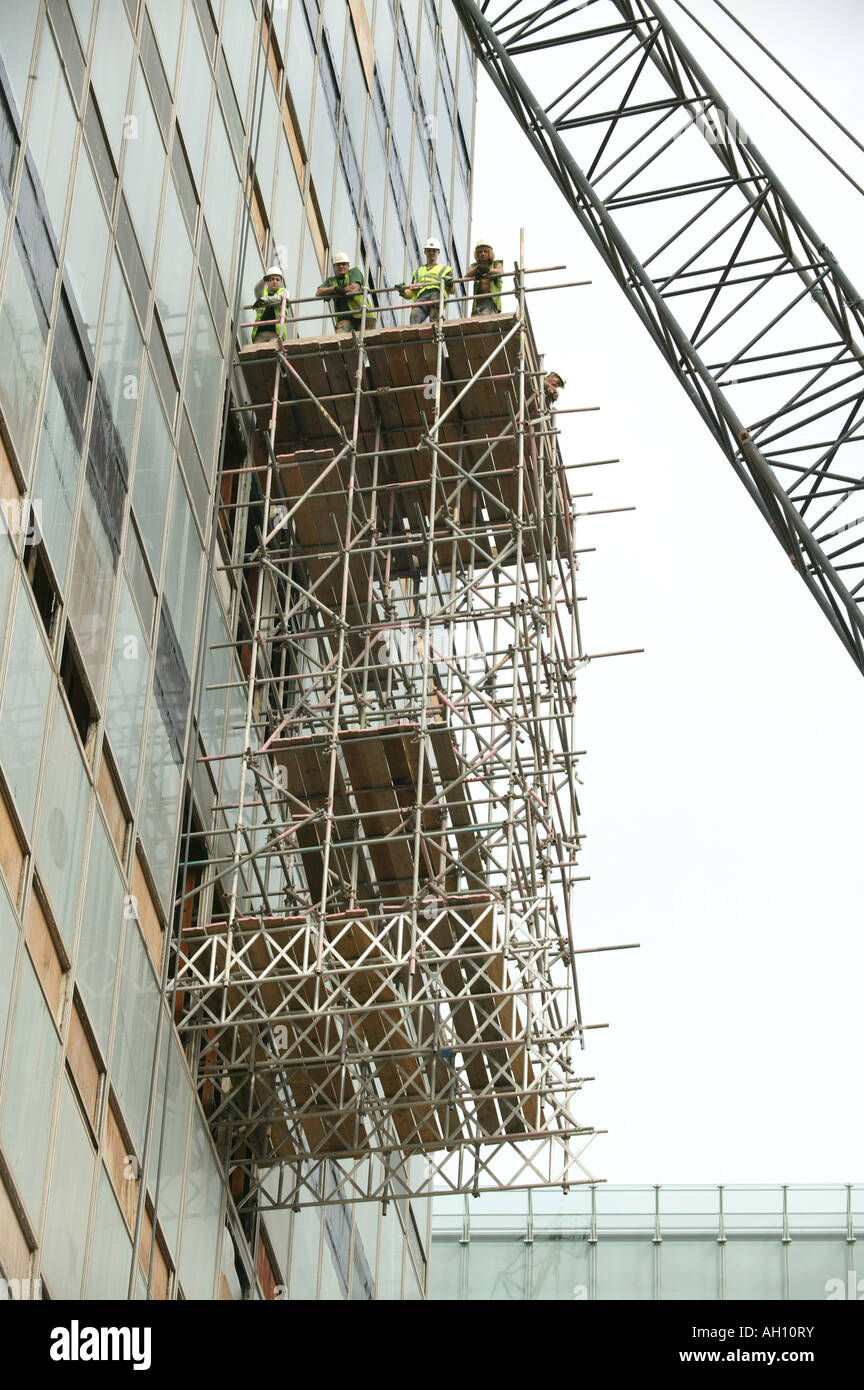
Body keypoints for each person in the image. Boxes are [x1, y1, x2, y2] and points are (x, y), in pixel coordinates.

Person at [316, 252, 378, 332]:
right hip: (346, 319)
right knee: (340, 330)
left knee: (365, 339)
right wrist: (334, 289)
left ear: (348, 266)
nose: (341, 266)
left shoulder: (354, 272)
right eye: (338, 264)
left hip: (364, 316)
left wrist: (340, 290)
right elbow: (319, 292)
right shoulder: (331, 281)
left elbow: (354, 288)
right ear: (334, 267)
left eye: (344, 264)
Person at [398, 238, 454, 324]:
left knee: (435, 316)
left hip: (436, 294)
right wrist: (402, 291)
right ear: (425, 252)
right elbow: (410, 293)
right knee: (414, 315)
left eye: (434, 251)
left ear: (438, 252)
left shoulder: (445, 269)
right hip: (421, 298)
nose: (431, 253)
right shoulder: (418, 272)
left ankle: (435, 326)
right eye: (429, 251)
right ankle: (414, 335)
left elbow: (453, 291)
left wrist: (450, 284)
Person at [252, 265, 291, 342]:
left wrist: (265, 299)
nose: (275, 281)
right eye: (272, 279)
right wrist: (263, 280)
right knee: (259, 353)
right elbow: (257, 290)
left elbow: (280, 298)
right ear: (268, 281)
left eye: (277, 279)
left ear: (281, 282)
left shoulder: (284, 292)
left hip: (276, 334)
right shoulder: (264, 293)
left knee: (271, 351)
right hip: (260, 333)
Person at [466, 239, 503, 316]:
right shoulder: (474, 266)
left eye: (485, 251)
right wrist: (477, 268)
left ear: (489, 253)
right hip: (477, 302)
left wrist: (487, 270)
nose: (482, 254)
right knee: (474, 323)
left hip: (491, 301)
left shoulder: (496, 263)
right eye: (480, 252)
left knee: (484, 317)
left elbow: (500, 272)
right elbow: (466, 277)